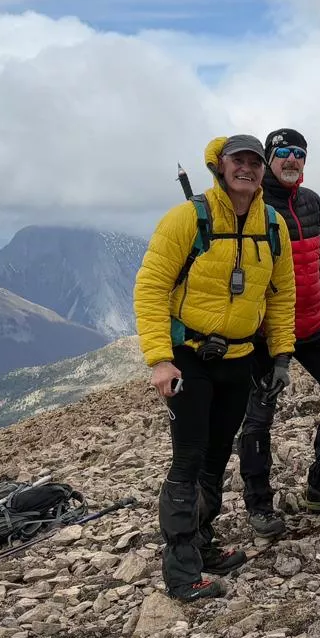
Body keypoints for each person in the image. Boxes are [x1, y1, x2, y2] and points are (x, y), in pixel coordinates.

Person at [133, 134, 295, 602]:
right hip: (190, 357)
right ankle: (182, 572)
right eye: (237, 161)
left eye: (254, 162)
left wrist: (281, 355)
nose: (246, 168)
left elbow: (281, 296)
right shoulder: (189, 217)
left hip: (239, 359)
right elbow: (151, 287)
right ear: (220, 167)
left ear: (262, 171)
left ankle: (202, 544)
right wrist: (160, 358)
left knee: (216, 455)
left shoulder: (272, 225)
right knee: (187, 459)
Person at [236, 129, 320, 537]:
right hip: (267, 338)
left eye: (299, 154)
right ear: (270, 159)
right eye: (283, 153)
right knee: (258, 421)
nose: (292, 160)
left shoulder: (311, 203)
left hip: (313, 326)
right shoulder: (254, 207)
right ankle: (258, 505)